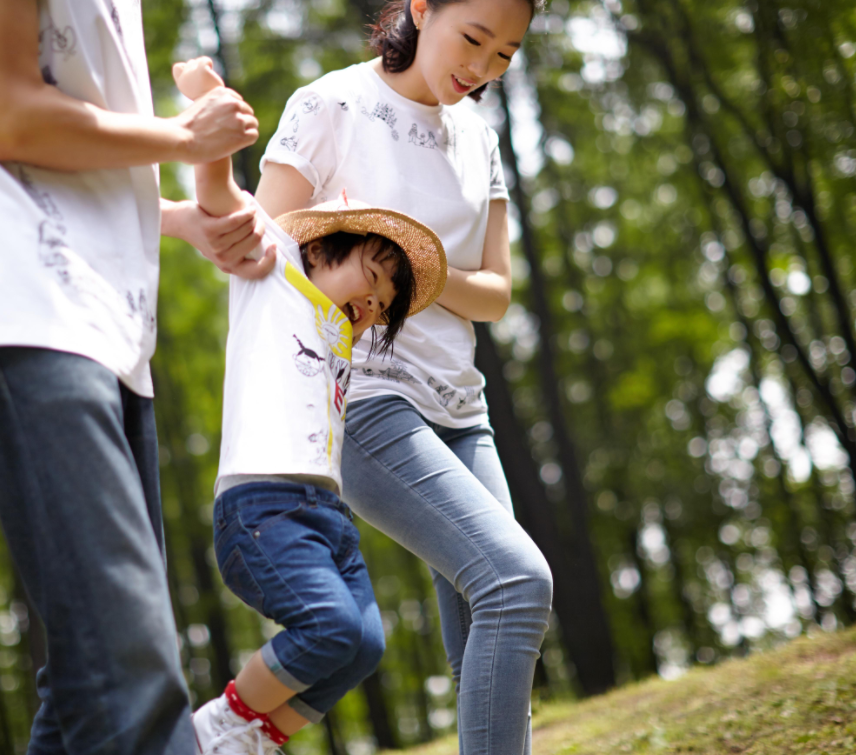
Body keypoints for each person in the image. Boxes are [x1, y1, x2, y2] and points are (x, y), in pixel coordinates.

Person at [0, 2, 274, 752]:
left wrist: (177, 218)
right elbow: (6, 116)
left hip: (102, 323)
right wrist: (184, 137)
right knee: (131, 683)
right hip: (17, 305)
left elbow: (67, 125)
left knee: (84, 684)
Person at [254, 0, 552, 753]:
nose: (480, 69)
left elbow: (495, 291)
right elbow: (264, 245)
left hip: (463, 407)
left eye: (504, 57)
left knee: (489, 631)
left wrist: (410, 255)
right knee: (517, 584)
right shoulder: (332, 104)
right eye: (473, 39)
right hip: (368, 399)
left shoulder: (477, 136)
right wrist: (355, 258)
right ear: (422, 8)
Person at [171, 57, 448, 755]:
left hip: (326, 511)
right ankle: (204, 730)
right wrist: (209, 103)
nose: (373, 303)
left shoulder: (340, 332)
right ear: (325, 245)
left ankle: (257, 736)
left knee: (363, 644)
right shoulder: (276, 274)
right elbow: (225, 201)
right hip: (262, 505)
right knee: (329, 627)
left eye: (385, 305)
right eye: (373, 276)